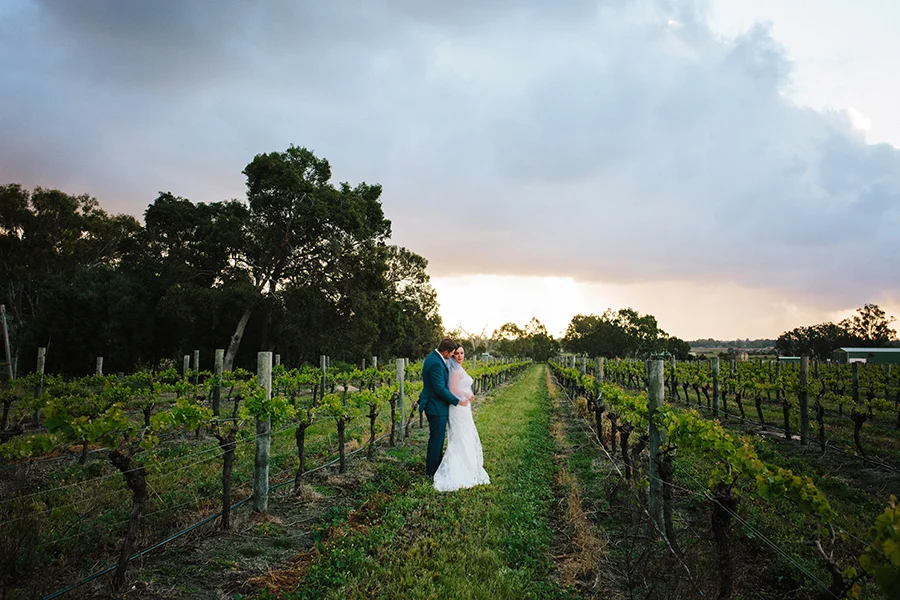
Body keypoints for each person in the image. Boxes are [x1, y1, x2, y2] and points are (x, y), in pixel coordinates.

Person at [432, 344, 490, 492]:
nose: (459, 356)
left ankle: (469, 464)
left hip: (464, 407)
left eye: (462, 353)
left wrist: (467, 395)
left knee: (466, 434)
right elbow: (453, 389)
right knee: (460, 436)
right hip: (458, 407)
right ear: (452, 355)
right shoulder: (454, 371)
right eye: (456, 353)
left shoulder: (457, 368)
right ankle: (461, 469)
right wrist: (466, 396)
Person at [420, 338, 471, 477]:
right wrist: (457, 401)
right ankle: (431, 472)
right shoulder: (436, 362)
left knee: (439, 439)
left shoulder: (435, 358)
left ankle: (436, 466)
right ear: (446, 351)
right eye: (453, 353)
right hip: (435, 407)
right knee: (436, 440)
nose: (453, 356)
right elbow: (439, 389)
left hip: (437, 405)